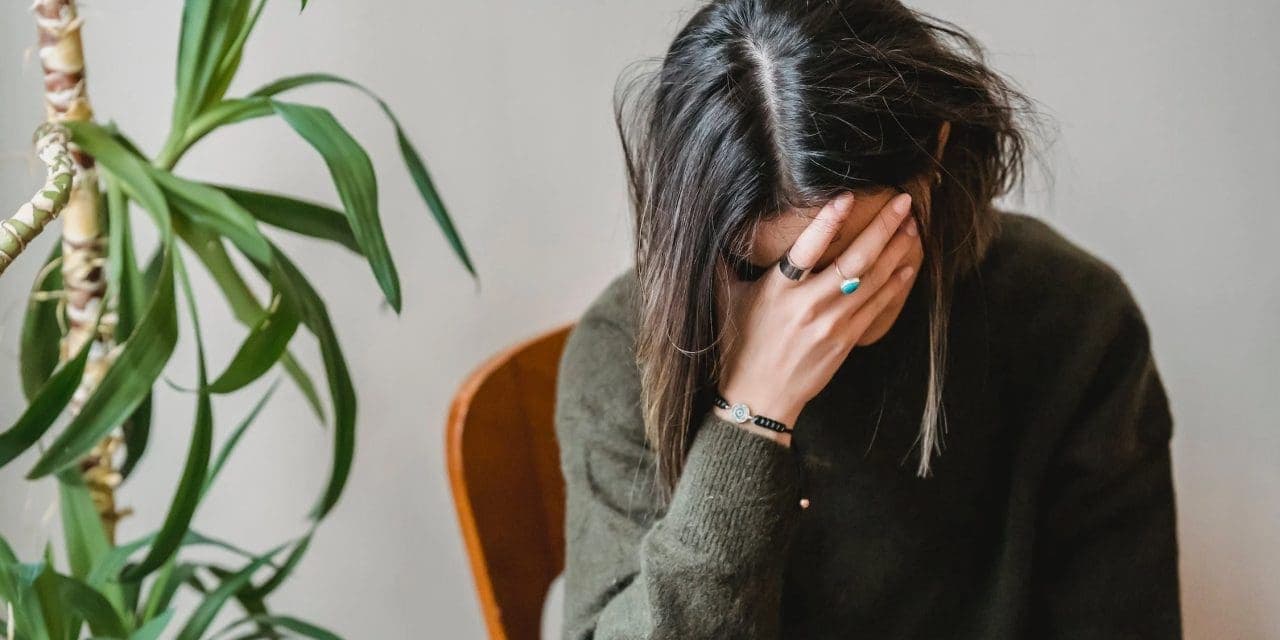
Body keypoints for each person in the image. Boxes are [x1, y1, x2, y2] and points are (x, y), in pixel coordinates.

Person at [553, 0, 1181, 637]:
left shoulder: (1072, 315)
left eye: (855, 255)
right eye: (765, 270)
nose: (819, 310)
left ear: (937, 150)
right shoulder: (622, 353)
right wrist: (752, 416)